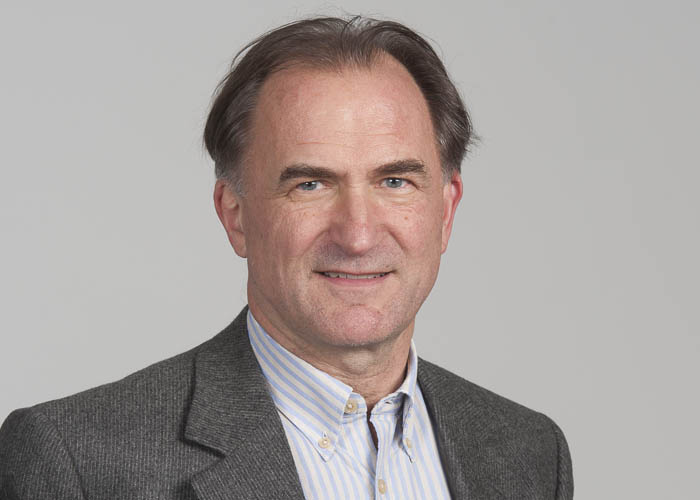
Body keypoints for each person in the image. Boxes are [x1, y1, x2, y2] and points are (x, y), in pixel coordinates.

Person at [0, 16, 573, 500]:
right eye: (310, 185)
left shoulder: (528, 453)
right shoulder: (77, 462)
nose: (357, 234)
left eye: (395, 181)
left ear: (445, 212)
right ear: (236, 215)